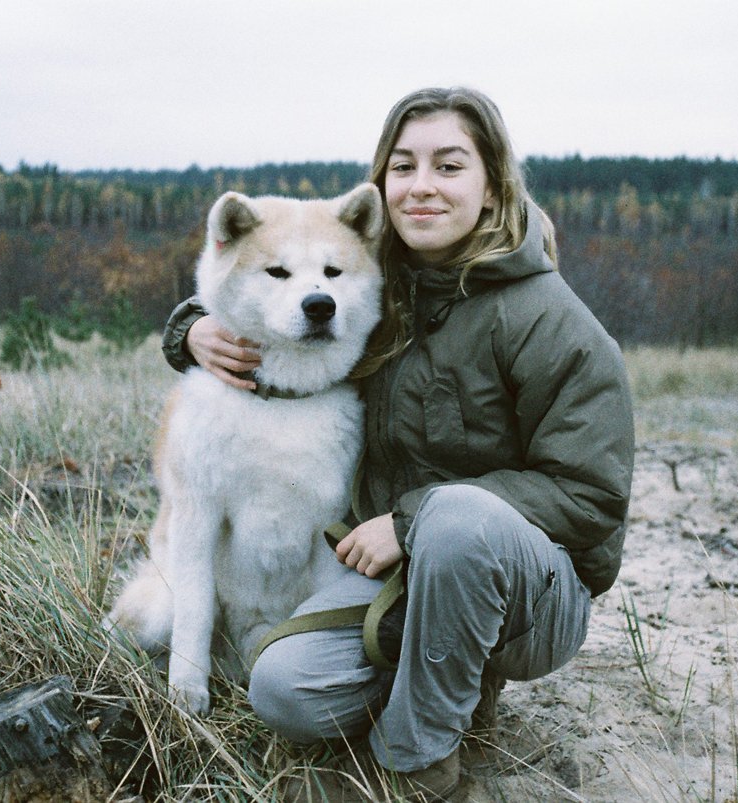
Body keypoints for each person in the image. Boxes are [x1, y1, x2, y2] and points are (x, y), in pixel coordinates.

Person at [161, 87, 634, 801]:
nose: (422, 185)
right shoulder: (377, 291)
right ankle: (433, 689)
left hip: (530, 597)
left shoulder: (553, 322)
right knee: (284, 689)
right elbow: (273, 288)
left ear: (493, 183)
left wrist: (412, 523)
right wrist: (192, 328)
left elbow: (590, 497)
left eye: (449, 166)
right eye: (404, 166)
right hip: (401, 576)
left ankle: (417, 764)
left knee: (458, 521)